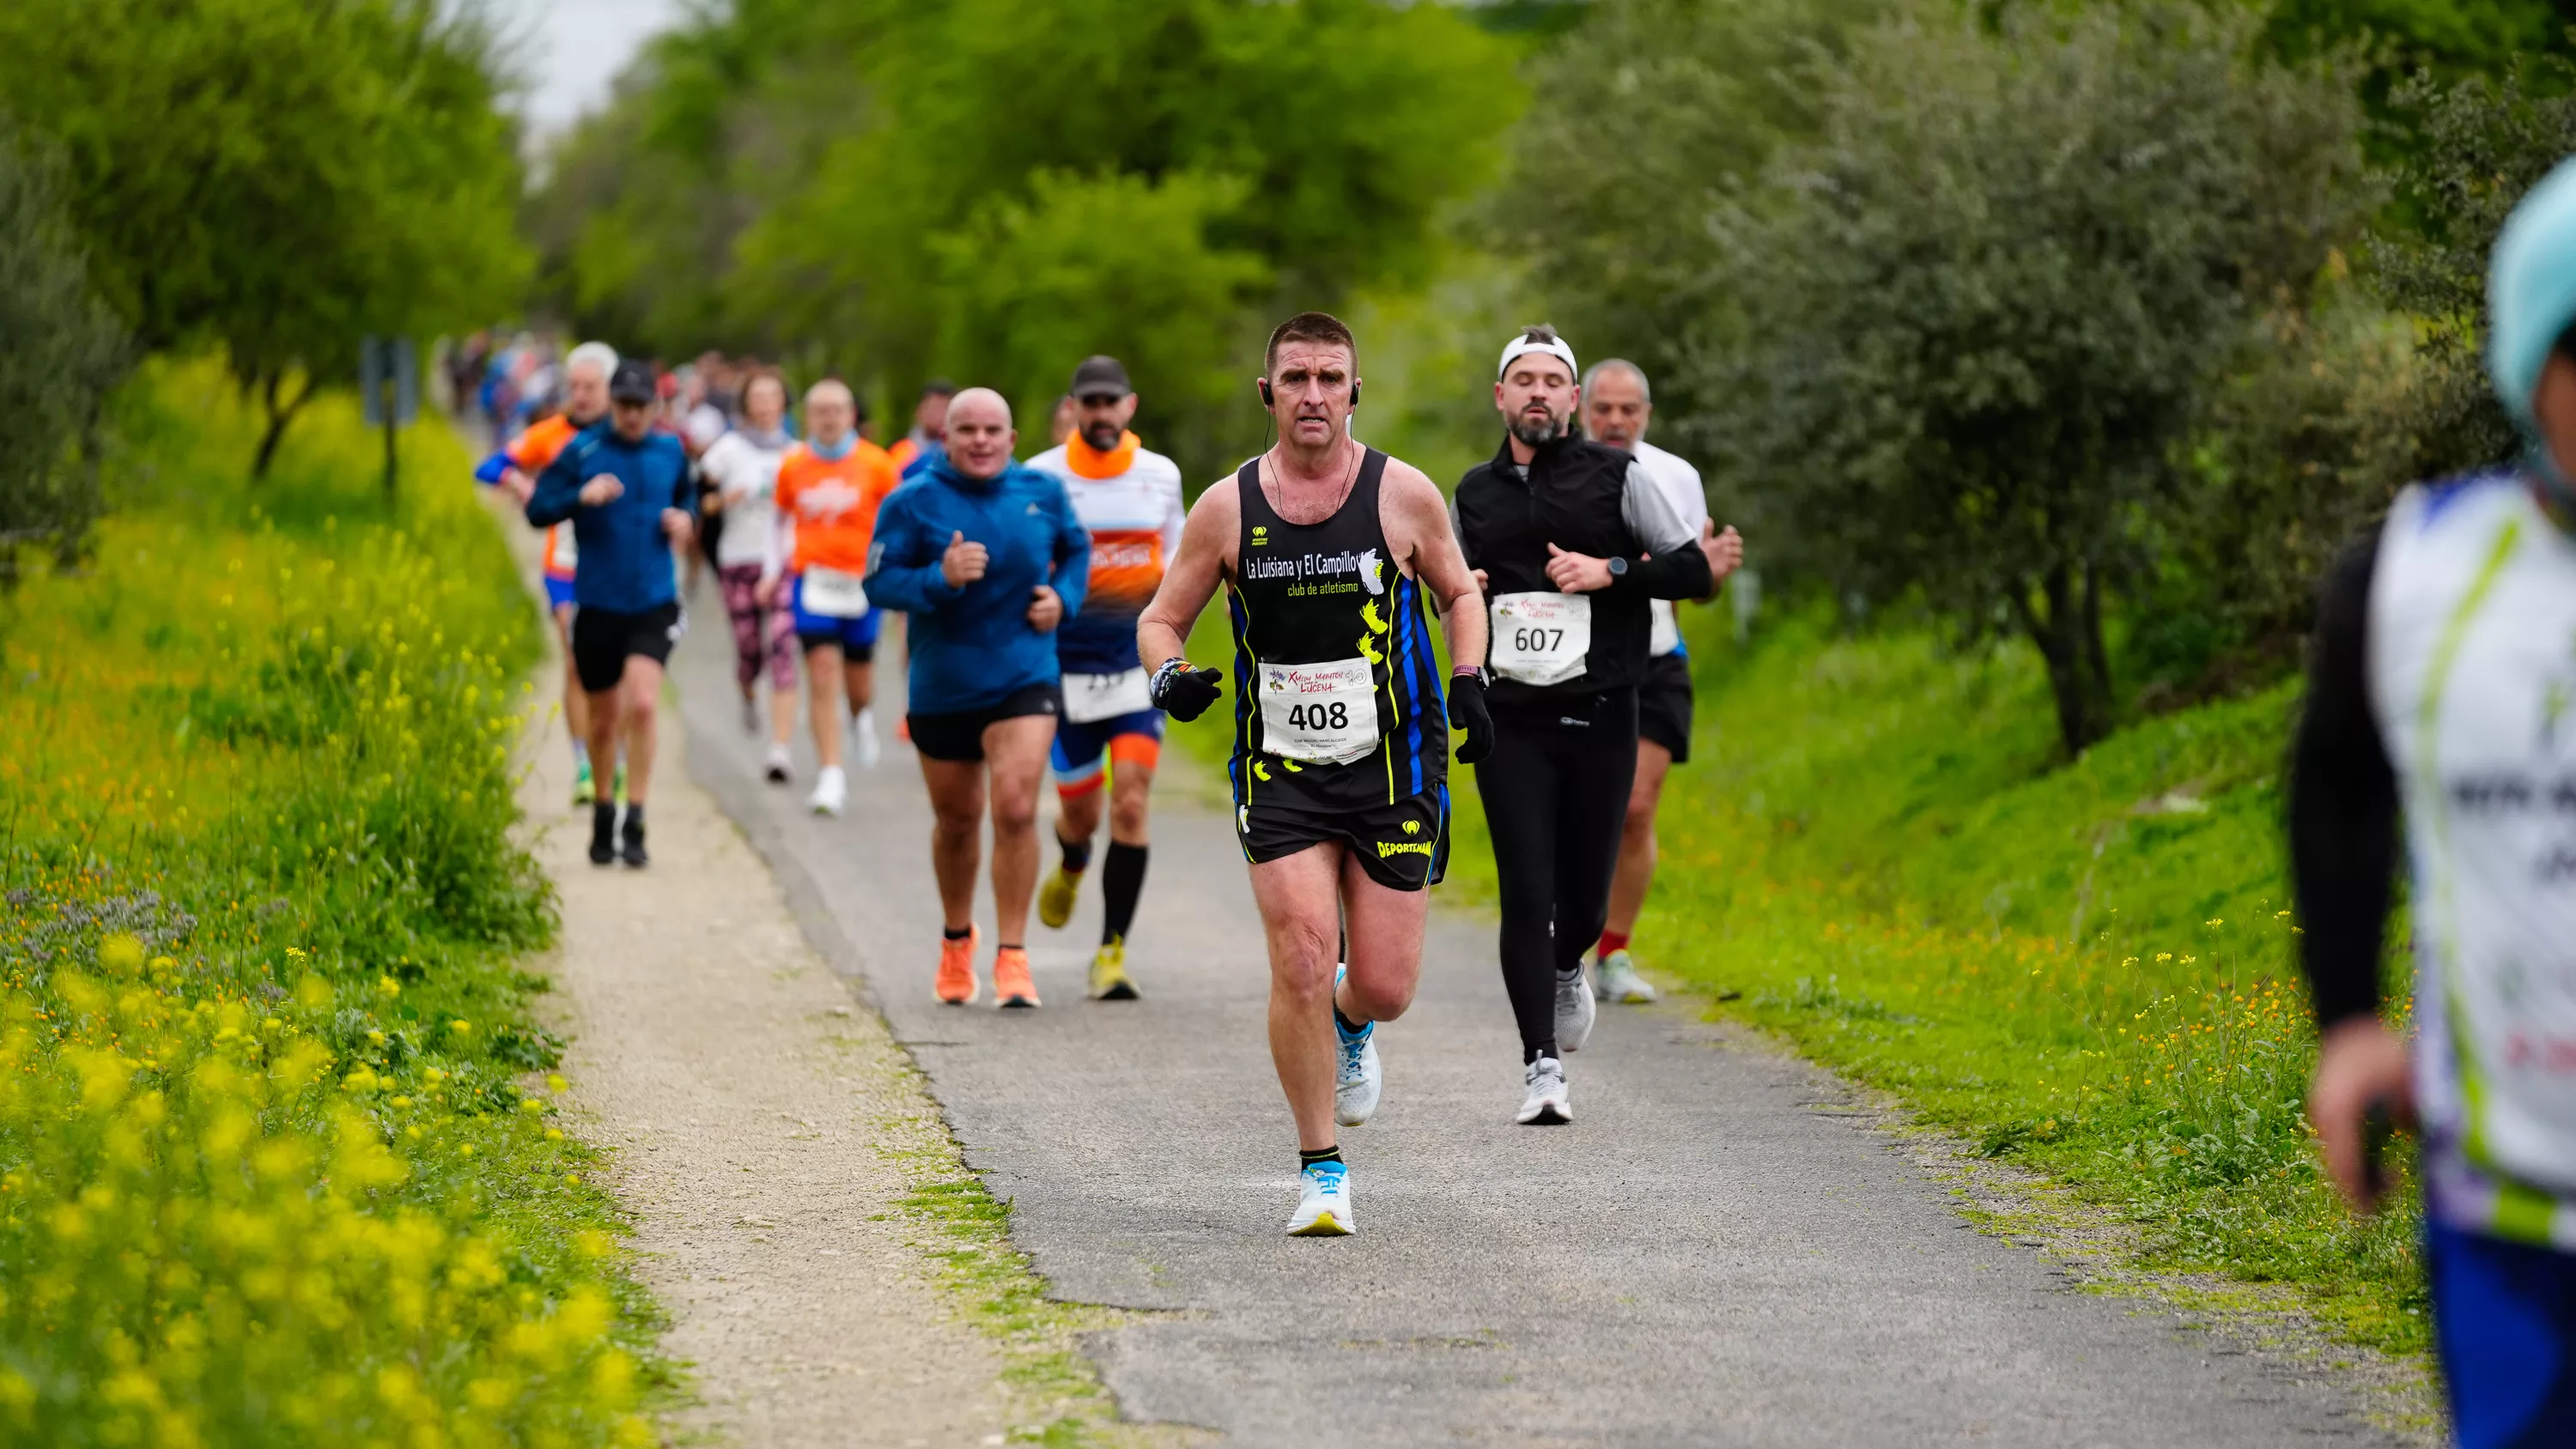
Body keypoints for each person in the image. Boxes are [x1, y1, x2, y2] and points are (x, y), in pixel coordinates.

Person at [2292, 159, 2576, 1449]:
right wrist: (2349, 1021)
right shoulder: (2419, 575)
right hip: (2512, 1210)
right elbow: (2340, 793)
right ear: (2531, 366)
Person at [1136, 312, 1492, 1237]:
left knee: (1385, 983)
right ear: (1268, 392)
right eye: (1295, 377)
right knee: (1297, 951)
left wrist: (1471, 681)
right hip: (1280, 767)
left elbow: (1460, 591)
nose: (1313, 395)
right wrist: (1169, 675)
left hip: (1397, 764)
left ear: (1354, 391)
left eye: (1331, 377)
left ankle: (1353, 1019)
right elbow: (1160, 618)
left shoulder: (1402, 494)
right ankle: (1321, 1166)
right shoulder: (1226, 507)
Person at [1453, 326, 1713, 1126]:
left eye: (1551, 381)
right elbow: (1449, 588)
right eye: (1522, 380)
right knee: (1526, 892)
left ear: (1572, 399)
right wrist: (1460, 586)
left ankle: (1574, 963)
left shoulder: (1618, 476)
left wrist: (1613, 572)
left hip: (1602, 712)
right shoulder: (1471, 493)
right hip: (1513, 718)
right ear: (1500, 397)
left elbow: (1695, 570)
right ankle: (1541, 1067)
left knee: (1586, 907)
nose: (1537, 392)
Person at [866, 387, 1090, 1007]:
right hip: (944, 685)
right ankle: (957, 939)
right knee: (958, 822)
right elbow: (878, 582)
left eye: (993, 430)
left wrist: (1063, 600)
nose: (981, 441)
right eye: (968, 430)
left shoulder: (1041, 494)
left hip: (1026, 674)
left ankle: (1013, 957)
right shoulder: (912, 502)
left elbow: (1076, 550)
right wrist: (940, 576)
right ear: (947, 437)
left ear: (1013, 440)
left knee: (1016, 807)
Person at [1580, 360, 1744, 1004]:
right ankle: (1565, 941)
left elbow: (1695, 585)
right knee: (1583, 806)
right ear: (1582, 408)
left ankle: (1614, 954)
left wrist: (1715, 571)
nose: (1616, 421)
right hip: (1576, 661)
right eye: (1605, 409)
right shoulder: (1558, 473)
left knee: (1637, 806)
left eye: (1629, 410)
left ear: (1647, 413)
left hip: (1655, 657)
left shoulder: (1677, 477)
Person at [1026, 356, 1187, 1000]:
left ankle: (1111, 951)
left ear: (1129, 407)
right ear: (1073, 407)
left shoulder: (1161, 476)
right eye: (1088, 402)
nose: (1099, 413)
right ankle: (1069, 858)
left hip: (1133, 664)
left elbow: (1177, 555)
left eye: (1109, 402)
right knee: (1083, 815)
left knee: (1131, 801)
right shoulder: (1041, 476)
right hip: (1064, 667)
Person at [526, 358, 696, 869]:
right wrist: (581, 495)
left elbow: (688, 495)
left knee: (642, 704)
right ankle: (604, 808)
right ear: (611, 404)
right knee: (603, 722)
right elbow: (538, 509)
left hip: (654, 601)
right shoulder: (584, 450)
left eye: (642, 406)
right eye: (624, 405)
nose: (632, 415)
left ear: (656, 407)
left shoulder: (671, 450)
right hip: (598, 602)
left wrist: (683, 519)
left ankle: (636, 816)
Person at [761, 379, 902, 815]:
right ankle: (831, 776)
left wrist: (898, 571)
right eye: (819, 411)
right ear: (808, 416)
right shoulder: (793, 465)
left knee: (858, 683)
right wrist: (771, 573)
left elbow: (900, 521)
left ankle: (861, 717)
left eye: (836, 411)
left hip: (862, 583)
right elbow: (778, 520)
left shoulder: (877, 465)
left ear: (850, 415)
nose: (828, 419)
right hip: (812, 582)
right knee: (821, 672)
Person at [486, 341, 618, 806]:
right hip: (563, 564)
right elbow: (490, 466)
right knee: (577, 662)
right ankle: (584, 764)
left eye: (591, 387)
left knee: (614, 670)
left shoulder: (628, 435)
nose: (580, 395)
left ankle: (611, 756)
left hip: (617, 566)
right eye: (574, 386)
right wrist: (521, 482)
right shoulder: (550, 433)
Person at [699, 368, 799, 779]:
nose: (764, 404)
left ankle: (780, 750)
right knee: (749, 652)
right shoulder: (727, 450)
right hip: (737, 559)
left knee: (782, 649)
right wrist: (723, 500)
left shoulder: (797, 454)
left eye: (772, 396)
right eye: (756, 397)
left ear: (783, 404)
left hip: (784, 563)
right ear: (745, 404)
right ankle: (746, 691)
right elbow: (700, 503)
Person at [890, 379, 956, 476]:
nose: (942, 415)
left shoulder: (961, 452)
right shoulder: (901, 452)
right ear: (919, 412)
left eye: (946, 408)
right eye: (935, 408)